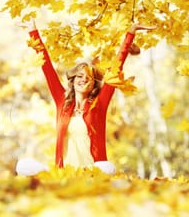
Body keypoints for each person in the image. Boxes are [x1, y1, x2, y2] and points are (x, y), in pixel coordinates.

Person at [16, 19, 155, 175]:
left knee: (107, 167)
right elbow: (46, 67)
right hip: (65, 172)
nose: (83, 79)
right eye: (79, 76)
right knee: (23, 165)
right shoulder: (62, 103)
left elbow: (117, 67)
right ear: (73, 80)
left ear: (93, 84)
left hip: (92, 171)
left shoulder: (99, 104)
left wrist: (130, 33)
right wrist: (33, 31)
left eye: (88, 77)